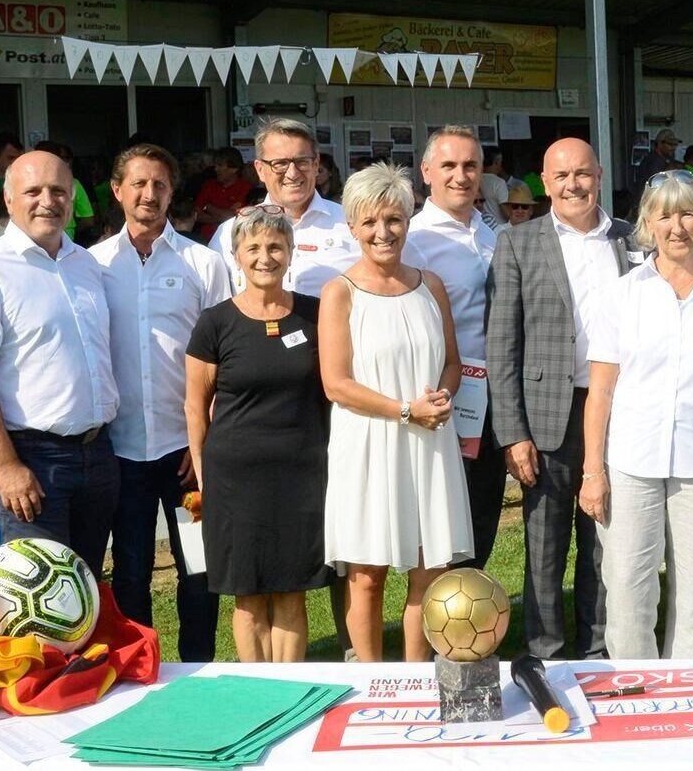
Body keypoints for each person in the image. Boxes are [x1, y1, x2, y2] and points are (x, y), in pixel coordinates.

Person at [581, 170, 693, 659]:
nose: (677, 226)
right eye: (665, 215)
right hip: (631, 461)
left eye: (687, 213)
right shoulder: (622, 295)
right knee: (629, 586)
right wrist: (593, 471)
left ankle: (683, 687)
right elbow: (600, 393)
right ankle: (632, 684)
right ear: (648, 224)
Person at [487, 137, 637, 660]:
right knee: (544, 546)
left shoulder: (631, 240)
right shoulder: (517, 243)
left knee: (605, 539)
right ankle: (545, 651)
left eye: (583, 173)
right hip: (546, 415)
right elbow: (502, 344)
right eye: (561, 176)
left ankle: (598, 648)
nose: (573, 184)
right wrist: (513, 433)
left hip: (616, 411)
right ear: (546, 184)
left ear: (599, 173)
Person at [321, 163, 472, 662]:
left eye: (393, 220)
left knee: (428, 572)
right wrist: (406, 410)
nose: (383, 232)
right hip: (368, 445)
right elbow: (336, 383)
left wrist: (443, 397)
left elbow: (452, 361)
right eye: (370, 222)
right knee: (366, 576)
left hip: (429, 442)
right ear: (352, 227)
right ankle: (370, 683)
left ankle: (414, 680)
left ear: (408, 221)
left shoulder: (432, 285)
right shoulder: (338, 292)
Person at [92, 143, 232, 664]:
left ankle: (197, 671)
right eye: (138, 183)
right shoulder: (93, 266)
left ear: (173, 193)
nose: (149, 194)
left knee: (198, 567)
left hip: (185, 452)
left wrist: (204, 442)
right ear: (117, 190)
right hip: (122, 452)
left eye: (159, 185)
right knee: (130, 571)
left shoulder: (204, 263)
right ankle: (138, 668)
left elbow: (225, 357)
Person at [0, 150, 119, 573]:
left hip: (97, 452)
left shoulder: (87, 264)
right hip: (33, 459)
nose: (49, 200)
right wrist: (5, 466)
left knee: (87, 588)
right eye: (34, 191)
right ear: (8, 201)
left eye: (59, 190)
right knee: (42, 598)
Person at [184, 206, 330, 662]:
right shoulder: (215, 322)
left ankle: (290, 685)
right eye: (253, 248)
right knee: (246, 593)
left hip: (303, 475)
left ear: (290, 254)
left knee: (292, 588)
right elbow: (194, 404)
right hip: (234, 478)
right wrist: (204, 475)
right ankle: (259, 686)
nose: (265, 257)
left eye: (275, 247)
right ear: (236, 256)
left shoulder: (315, 315)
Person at [404, 126, 503, 570]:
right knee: (439, 523)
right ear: (426, 172)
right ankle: (434, 626)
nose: (460, 175)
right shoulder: (412, 241)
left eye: (470, 166)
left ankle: (467, 622)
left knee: (482, 512)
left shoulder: (494, 235)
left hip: (495, 394)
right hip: (443, 395)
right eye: (448, 165)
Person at [212, 119, 357, 296]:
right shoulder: (228, 234)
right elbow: (218, 307)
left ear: (316, 164)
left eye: (302, 161)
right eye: (279, 163)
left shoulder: (354, 225)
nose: (292, 173)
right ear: (260, 170)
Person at [194, 148, 253, 241]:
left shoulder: (245, 188)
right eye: (216, 165)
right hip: (205, 240)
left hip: (233, 240)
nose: (216, 169)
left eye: (220, 165)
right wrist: (224, 216)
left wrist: (208, 207)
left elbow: (236, 217)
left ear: (234, 169)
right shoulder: (209, 185)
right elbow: (195, 214)